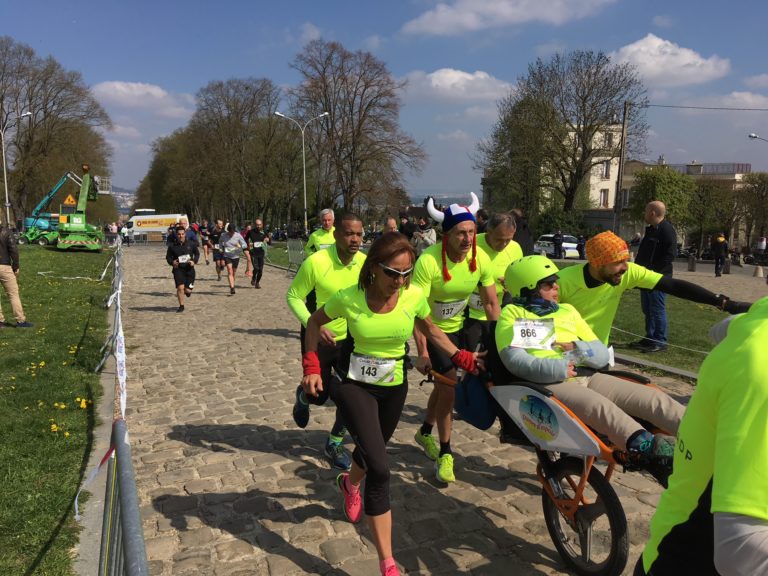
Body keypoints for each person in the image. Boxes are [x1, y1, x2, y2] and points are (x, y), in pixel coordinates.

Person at [302, 232, 482, 576]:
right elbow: (314, 322)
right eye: (392, 273)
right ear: (374, 267)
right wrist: (311, 366)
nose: (399, 281)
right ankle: (388, 564)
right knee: (381, 468)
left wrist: (462, 358)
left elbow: (432, 330)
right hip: (355, 385)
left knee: (372, 451)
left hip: (393, 387)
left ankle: (349, 484)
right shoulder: (349, 298)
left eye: (406, 273)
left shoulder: (412, 297)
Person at [496, 255, 684, 485]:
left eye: (555, 282)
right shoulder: (513, 314)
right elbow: (515, 360)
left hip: (587, 374)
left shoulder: (567, 310)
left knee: (653, 399)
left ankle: (701, 433)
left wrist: (578, 348)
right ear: (528, 289)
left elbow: (601, 353)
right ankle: (647, 449)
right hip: (551, 383)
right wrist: (559, 367)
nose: (556, 287)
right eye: (548, 284)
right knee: (599, 407)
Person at [635, 299, 767, 576]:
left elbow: (721, 329)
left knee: (658, 407)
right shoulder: (760, 364)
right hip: (687, 560)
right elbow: (740, 551)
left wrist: (729, 314)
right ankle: (639, 443)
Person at [412, 192, 500, 483]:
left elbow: (491, 303)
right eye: (461, 233)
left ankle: (425, 431)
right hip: (432, 329)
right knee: (449, 385)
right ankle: (446, 452)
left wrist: (497, 340)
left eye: (472, 232)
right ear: (446, 234)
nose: (468, 239)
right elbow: (418, 313)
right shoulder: (428, 261)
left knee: (444, 384)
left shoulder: (480, 258)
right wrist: (423, 352)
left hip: (460, 325)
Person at [556, 231, 750, 348]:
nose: (625, 267)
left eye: (626, 260)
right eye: (618, 262)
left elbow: (672, 285)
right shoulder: (563, 282)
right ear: (598, 263)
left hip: (597, 353)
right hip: (563, 354)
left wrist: (723, 302)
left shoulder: (627, 274)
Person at [286, 214, 367, 470]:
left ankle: (334, 443)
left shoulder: (364, 263)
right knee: (318, 395)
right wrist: (314, 323)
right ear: (336, 235)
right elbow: (293, 296)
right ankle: (304, 396)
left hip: (351, 340)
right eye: (349, 234)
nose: (355, 240)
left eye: (359, 234)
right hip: (317, 337)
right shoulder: (316, 262)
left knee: (351, 397)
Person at [464, 212, 523, 351]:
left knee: (494, 352)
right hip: (469, 310)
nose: (503, 244)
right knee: (470, 354)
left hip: (499, 308)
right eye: (499, 239)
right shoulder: (471, 244)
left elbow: (518, 276)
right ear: (488, 231)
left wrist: (512, 283)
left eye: (508, 240)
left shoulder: (515, 248)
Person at [635, 201, 676, 352]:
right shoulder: (651, 230)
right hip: (645, 277)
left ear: (652, 213)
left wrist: (654, 271)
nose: (644, 214)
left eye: (646, 211)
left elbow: (670, 255)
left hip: (658, 278)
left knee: (657, 309)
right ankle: (650, 337)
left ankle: (660, 340)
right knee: (647, 309)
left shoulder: (666, 229)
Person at [0, 223, 32, 328]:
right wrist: (16, 266)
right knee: (13, 294)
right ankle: (20, 321)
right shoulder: (7, 232)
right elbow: (13, 250)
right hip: (4, 266)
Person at [166, 227, 200, 312]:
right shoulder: (172, 246)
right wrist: (172, 262)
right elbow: (168, 257)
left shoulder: (191, 244)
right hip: (178, 269)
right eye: (179, 234)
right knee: (180, 288)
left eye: (182, 234)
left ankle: (188, 291)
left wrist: (194, 261)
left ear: (185, 234)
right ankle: (181, 306)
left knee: (188, 290)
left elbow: (197, 254)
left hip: (190, 270)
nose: (181, 236)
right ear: (176, 235)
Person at [219, 223, 248, 295]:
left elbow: (245, 244)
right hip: (227, 255)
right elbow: (220, 242)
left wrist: (239, 247)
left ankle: (232, 284)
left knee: (234, 272)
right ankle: (232, 288)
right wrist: (220, 248)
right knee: (229, 270)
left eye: (232, 232)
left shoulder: (238, 235)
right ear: (228, 230)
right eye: (230, 232)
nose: (231, 233)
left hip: (236, 256)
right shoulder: (223, 235)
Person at [246, 218, 270, 289]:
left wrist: (268, 240)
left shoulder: (264, 232)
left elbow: (269, 241)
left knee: (260, 270)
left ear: (262, 225)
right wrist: (248, 244)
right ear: (255, 225)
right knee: (256, 268)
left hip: (261, 253)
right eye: (257, 225)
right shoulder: (250, 232)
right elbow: (245, 239)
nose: (258, 226)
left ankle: (257, 283)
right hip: (253, 253)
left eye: (259, 225)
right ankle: (254, 278)